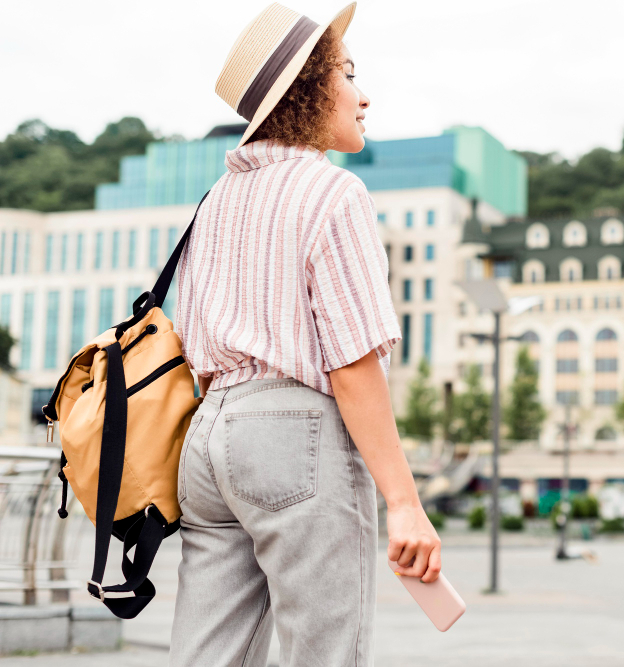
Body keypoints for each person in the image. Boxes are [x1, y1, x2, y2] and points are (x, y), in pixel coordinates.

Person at [168, 3, 441, 664]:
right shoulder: (333, 193)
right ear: (308, 90)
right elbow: (351, 362)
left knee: (207, 653)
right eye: (347, 73)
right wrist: (404, 503)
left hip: (208, 440)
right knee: (325, 652)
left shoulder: (214, 202)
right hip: (295, 434)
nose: (363, 94)